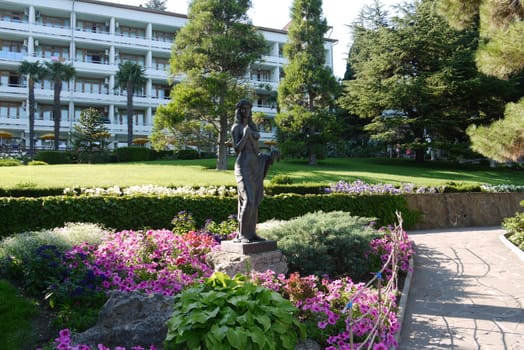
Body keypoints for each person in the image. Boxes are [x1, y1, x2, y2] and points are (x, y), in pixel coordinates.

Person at [231, 100, 274, 243]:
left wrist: (267, 157)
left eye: (248, 109)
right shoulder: (236, 127)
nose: (246, 111)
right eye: (243, 109)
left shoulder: (252, 126)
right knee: (248, 200)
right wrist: (245, 135)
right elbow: (237, 149)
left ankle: (251, 234)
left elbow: (256, 149)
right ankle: (242, 234)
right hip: (243, 166)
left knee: (254, 201)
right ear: (239, 111)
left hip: (255, 165)